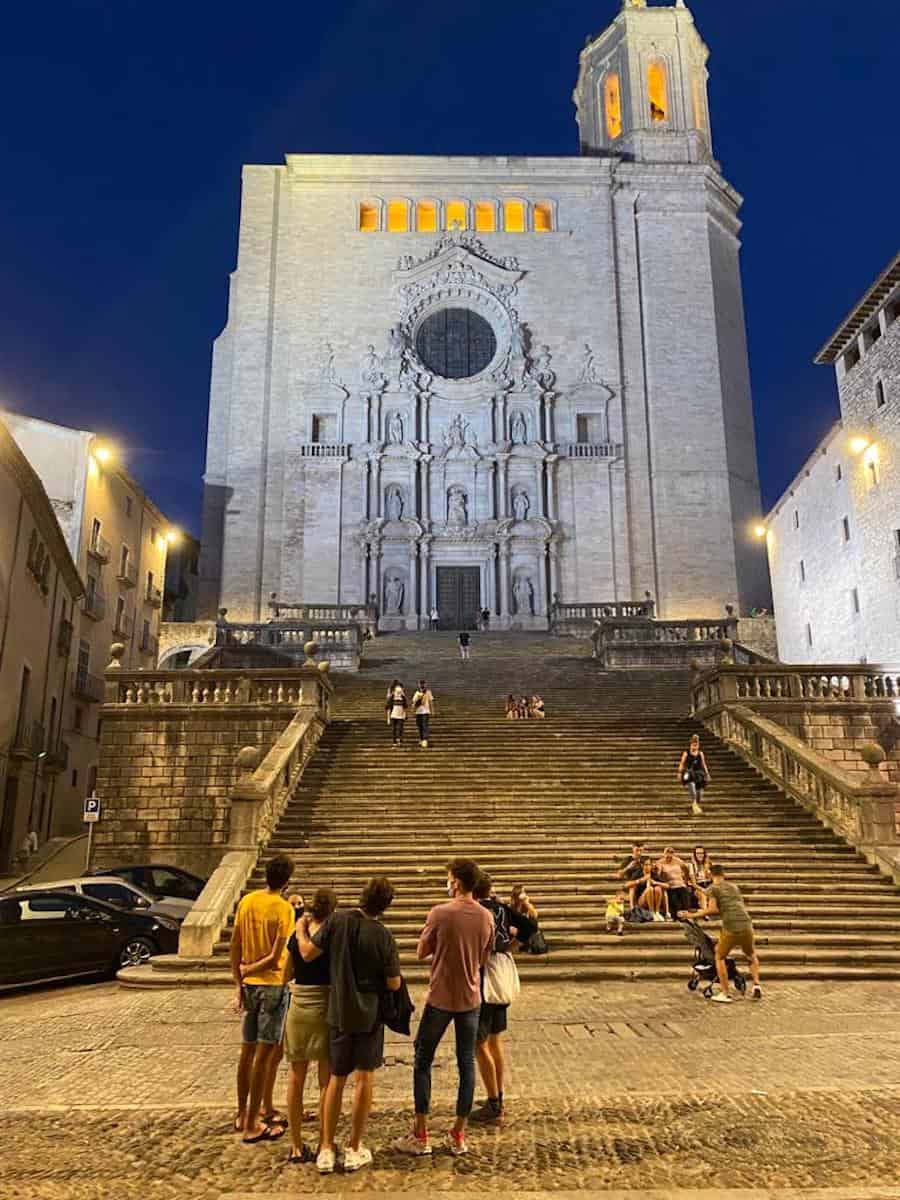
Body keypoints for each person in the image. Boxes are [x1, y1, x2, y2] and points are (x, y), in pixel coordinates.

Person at [296, 876, 402, 1174]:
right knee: (364, 1079)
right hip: (369, 1015)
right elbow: (394, 983)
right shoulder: (383, 935)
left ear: (362, 896)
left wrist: (300, 928)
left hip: (339, 1011)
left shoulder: (337, 921)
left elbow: (306, 952)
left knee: (335, 1080)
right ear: (385, 907)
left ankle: (327, 1148)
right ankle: (354, 1147)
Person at [394, 859, 495, 1158]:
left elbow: (420, 951)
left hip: (440, 997)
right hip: (470, 998)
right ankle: (458, 1133)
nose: (448, 882)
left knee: (423, 1059)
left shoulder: (439, 913)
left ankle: (421, 1133)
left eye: (449, 878)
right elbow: (482, 960)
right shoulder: (486, 916)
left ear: (457, 883)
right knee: (467, 1064)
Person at [231, 853, 295, 1143]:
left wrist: (239, 979)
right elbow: (274, 959)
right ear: (287, 881)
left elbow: (235, 943)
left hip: (250, 987)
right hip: (272, 985)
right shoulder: (283, 909)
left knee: (247, 1052)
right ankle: (253, 1125)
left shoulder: (248, 901)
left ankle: (243, 1112)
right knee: (265, 1055)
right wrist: (249, 969)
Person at [470, 873, 535, 1125]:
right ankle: (496, 1094)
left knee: (479, 1043)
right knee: (495, 1041)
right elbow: (531, 927)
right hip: (501, 977)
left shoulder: (476, 910)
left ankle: (493, 1104)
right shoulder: (501, 907)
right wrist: (511, 945)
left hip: (485, 980)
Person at [283, 887, 338, 1164]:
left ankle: (295, 1145)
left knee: (296, 1076)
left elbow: (285, 974)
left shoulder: (296, 934)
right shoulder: (333, 936)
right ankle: (325, 1142)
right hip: (325, 1005)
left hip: (299, 1006)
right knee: (326, 1080)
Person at [678, 865, 762, 1003]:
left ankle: (725, 993)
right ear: (723, 874)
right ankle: (757, 985)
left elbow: (712, 909)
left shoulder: (713, 888)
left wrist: (692, 914)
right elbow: (717, 895)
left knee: (719, 957)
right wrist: (695, 886)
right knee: (751, 955)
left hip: (731, 926)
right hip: (747, 923)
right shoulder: (733, 887)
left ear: (710, 874)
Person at [655, 847, 693, 922]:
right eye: (667, 854)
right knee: (674, 898)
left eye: (671, 854)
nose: (669, 856)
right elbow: (658, 875)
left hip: (681, 884)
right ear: (664, 854)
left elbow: (686, 868)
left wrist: (686, 880)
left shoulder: (677, 861)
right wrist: (660, 871)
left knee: (685, 893)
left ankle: (686, 914)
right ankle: (680, 915)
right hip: (670, 886)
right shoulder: (660, 862)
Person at [626, 856, 668, 922]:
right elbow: (627, 885)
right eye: (646, 864)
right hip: (642, 901)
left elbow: (667, 885)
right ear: (642, 865)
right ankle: (651, 913)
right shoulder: (638, 873)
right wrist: (641, 880)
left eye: (649, 864)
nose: (648, 866)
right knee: (650, 889)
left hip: (654, 900)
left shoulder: (653, 874)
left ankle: (656, 912)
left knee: (658, 888)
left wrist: (655, 882)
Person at [677, 734, 711, 815]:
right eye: (693, 745)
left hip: (699, 774)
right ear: (691, 745)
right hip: (689, 773)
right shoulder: (686, 753)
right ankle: (694, 803)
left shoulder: (700, 753)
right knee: (691, 786)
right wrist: (679, 772)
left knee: (700, 793)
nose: (695, 746)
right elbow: (682, 763)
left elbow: (704, 764)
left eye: (696, 745)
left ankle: (695, 805)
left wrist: (707, 774)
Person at [411, 679, 435, 749]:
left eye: (423, 684)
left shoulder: (428, 692)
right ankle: (421, 739)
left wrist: (432, 710)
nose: (422, 685)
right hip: (418, 712)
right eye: (421, 684)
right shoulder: (416, 692)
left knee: (425, 725)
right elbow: (414, 703)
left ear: (425, 684)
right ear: (419, 685)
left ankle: (425, 739)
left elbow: (431, 702)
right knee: (420, 726)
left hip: (426, 711)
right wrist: (413, 711)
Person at [386, 679, 407, 745]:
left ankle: (400, 739)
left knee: (400, 728)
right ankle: (395, 740)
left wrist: (404, 714)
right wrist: (388, 718)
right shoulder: (391, 697)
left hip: (400, 714)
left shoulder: (403, 697)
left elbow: (405, 706)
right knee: (394, 729)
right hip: (393, 713)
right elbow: (389, 707)